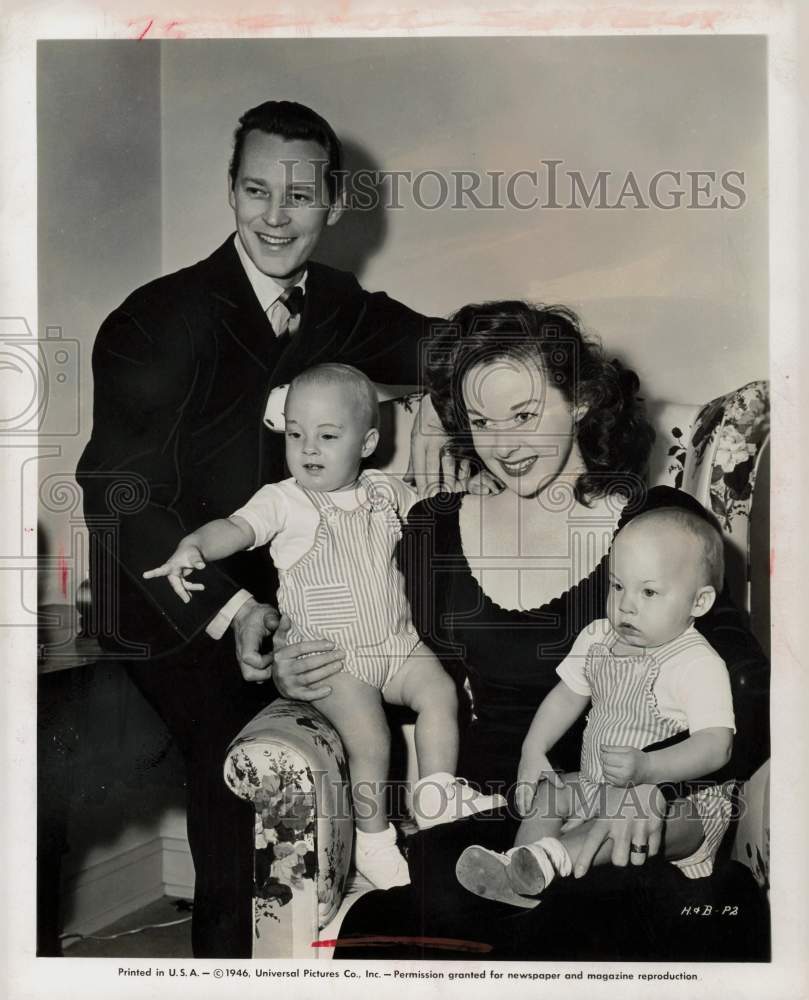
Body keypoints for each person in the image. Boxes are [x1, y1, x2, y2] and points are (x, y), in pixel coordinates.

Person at [76, 100, 452, 957]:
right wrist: (233, 614)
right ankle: (228, 965)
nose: (275, 217)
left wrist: (444, 404)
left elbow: (451, 347)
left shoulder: (338, 303)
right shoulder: (156, 319)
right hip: (173, 605)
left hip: (299, 602)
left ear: (333, 202)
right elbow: (115, 495)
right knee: (239, 749)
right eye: (255, 191)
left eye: (298, 195)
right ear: (231, 193)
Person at [323, 300, 769, 961]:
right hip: (489, 816)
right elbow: (394, 668)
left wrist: (657, 792)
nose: (503, 445)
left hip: (631, 809)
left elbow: (748, 699)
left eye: (525, 415)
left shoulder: (656, 528)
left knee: (600, 921)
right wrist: (307, 663)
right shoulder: (432, 533)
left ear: (582, 400)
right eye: (482, 422)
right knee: (432, 919)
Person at [142, 364, 503, 889]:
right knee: (371, 738)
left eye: (328, 436)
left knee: (441, 695)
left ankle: (437, 796)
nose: (308, 448)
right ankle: (375, 840)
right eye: (295, 434)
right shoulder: (283, 500)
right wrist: (196, 544)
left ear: (368, 442)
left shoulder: (385, 491)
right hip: (331, 656)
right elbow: (236, 529)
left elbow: (435, 521)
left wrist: (480, 497)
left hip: (395, 644)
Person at [456, 505, 735, 906]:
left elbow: (716, 745)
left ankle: (550, 859)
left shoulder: (697, 663)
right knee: (552, 792)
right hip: (597, 785)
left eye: (649, 592)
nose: (625, 606)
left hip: (679, 804)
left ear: (699, 601)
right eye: (617, 586)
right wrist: (533, 750)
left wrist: (649, 768)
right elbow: (566, 696)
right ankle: (519, 870)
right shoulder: (598, 639)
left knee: (624, 818)